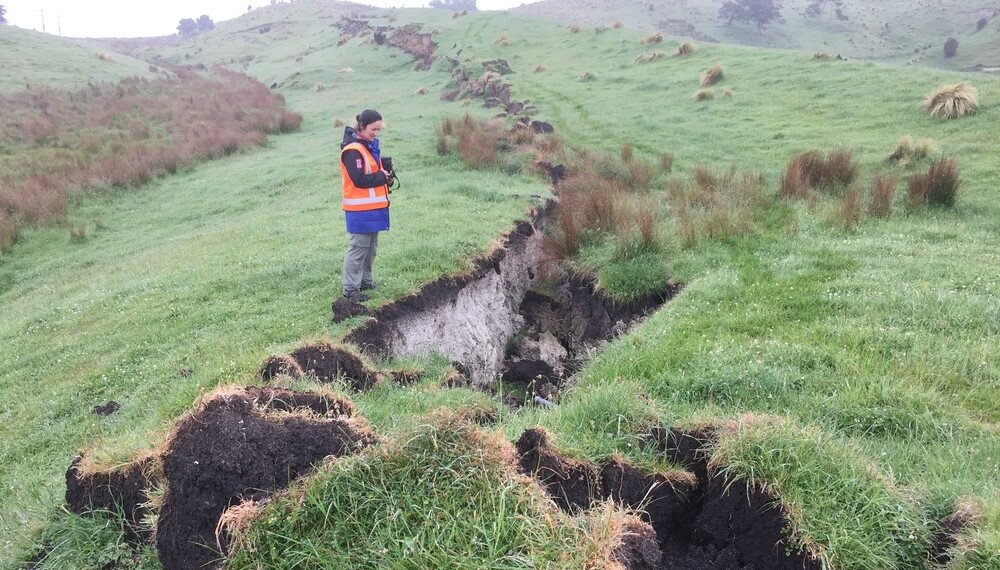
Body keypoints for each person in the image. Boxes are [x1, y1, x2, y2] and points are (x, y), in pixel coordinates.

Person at [339, 109, 394, 303]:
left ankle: (365, 281)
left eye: (379, 129)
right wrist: (381, 176)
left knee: (371, 248)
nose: (376, 133)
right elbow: (359, 180)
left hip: (373, 209)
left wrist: (386, 179)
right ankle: (350, 290)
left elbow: (372, 175)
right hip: (359, 211)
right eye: (373, 129)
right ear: (362, 126)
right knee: (358, 248)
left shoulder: (368, 146)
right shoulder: (353, 150)